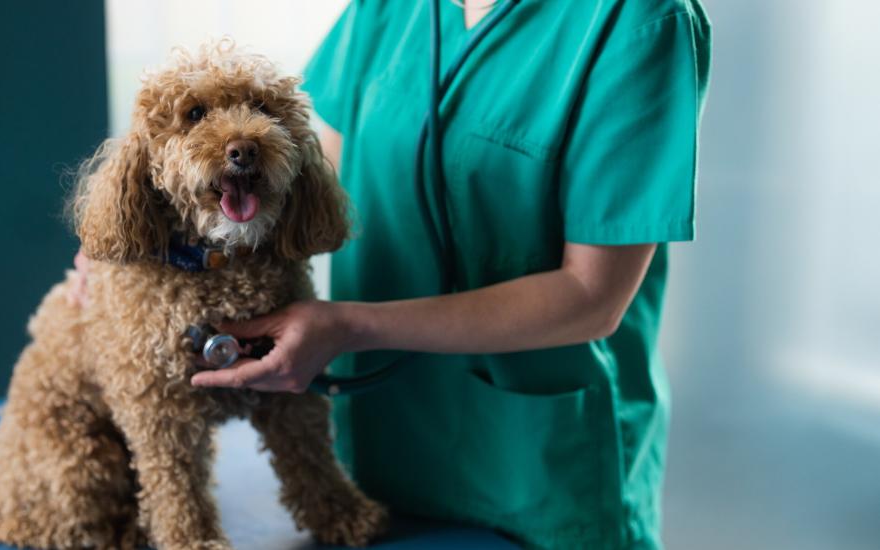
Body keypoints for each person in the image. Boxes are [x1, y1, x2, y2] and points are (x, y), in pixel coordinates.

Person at [168, 0, 710, 548]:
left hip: (539, 470)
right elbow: (305, 183)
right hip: (381, 450)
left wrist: (350, 326)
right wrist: (150, 237)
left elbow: (592, 296)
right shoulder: (386, 11)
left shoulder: (636, 20)